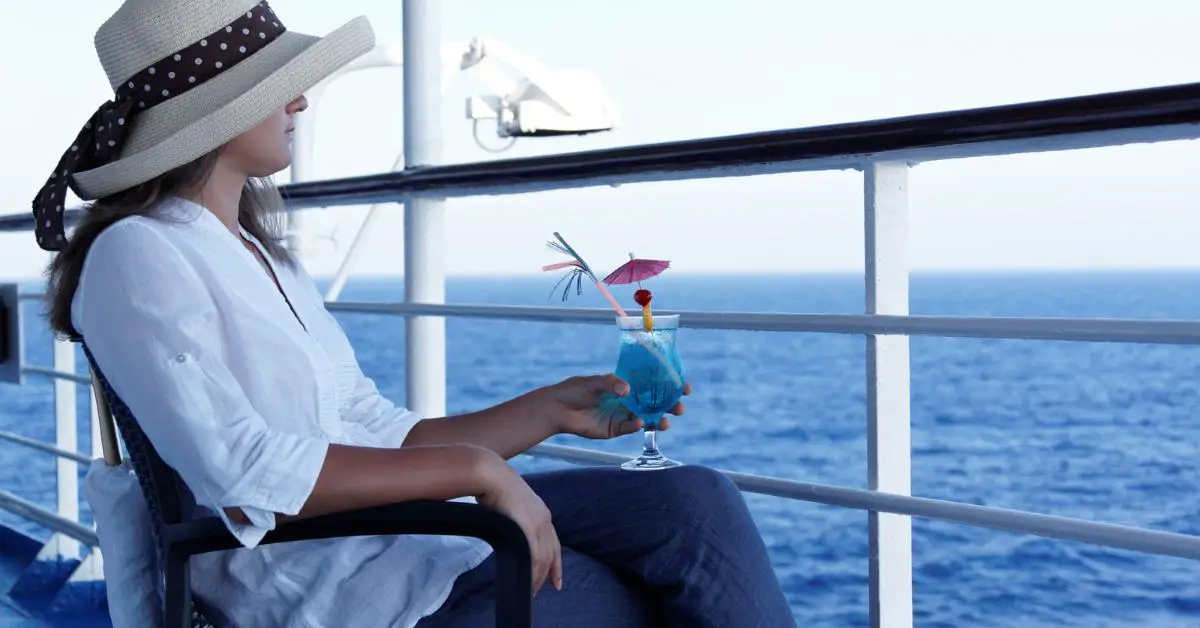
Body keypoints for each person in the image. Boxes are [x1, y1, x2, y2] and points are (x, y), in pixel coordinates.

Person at [35, 1, 797, 627]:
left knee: (692, 502)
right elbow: (242, 474)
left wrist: (545, 411)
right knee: (613, 601)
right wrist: (476, 471)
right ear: (210, 112)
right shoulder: (136, 254)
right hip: (322, 578)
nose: (300, 100)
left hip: (400, 536)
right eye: (277, 85)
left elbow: (376, 431)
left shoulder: (263, 257)